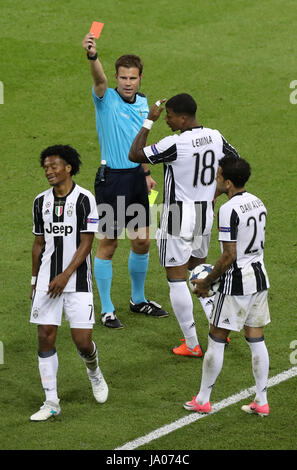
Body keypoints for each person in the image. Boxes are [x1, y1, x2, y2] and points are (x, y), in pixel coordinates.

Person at [129, 93, 240, 357]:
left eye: (168, 116)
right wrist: (217, 192)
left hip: (177, 214)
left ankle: (191, 344)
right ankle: (219, 333)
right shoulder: (215, 136)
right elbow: (236, 163)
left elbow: (135, 154)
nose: (166, 120)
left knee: (176, 278)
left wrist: (148, 121)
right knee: (198, 269)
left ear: (182, 117)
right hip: (204, 212)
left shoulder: (175, 144)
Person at [81, 33, 168, 329]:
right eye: (123, 77)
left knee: (142, 241)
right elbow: (99, 79)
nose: (127, 82)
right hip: (112, 180)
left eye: (132, 78)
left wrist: (145, 171)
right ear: (116, 77)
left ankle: (138, 299)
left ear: (140, 78)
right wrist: (93, 57)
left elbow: (139, 142)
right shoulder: (105, 97)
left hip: (134, 178)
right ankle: (106, 308)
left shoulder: (144, 103)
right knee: (109, 242)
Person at [183, 155, 271, 416]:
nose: (216, 178)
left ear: (229, 182)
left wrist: (207, 283)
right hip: (259, 278)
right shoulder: (258, 201)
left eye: (219, 175)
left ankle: (202, 399)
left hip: (236, 283)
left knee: (216, 338)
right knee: (256, 339)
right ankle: (261, 400)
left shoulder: (228, 210)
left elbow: (228, 255)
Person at [29, 145, 108, 422]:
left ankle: (94, 372)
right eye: (46, 167)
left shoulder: (85, 199)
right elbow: (38, 243)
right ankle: (51, 401)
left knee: (82, 341)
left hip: (77, 281)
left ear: (68, 168)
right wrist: (34, 279)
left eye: (54, 166)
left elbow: (87, 243)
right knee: (45, 336)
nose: (49, 171)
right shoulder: (40, 202)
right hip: (47, 282)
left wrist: (66, 275)